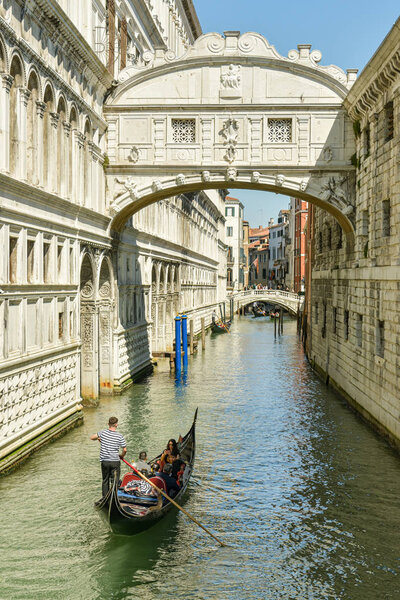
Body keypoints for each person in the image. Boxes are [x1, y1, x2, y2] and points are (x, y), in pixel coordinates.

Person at [90, 416, 127, 497]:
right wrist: (121, 456)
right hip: (115, 462)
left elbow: (92, 437)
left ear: (108, 424)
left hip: (105, 462)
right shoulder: (119, 436)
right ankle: (114, 497)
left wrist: (99, 439)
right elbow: (125, 449)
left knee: (105, 480)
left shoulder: (102, 433)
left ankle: (105, 497)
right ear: (116, 425)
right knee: (115, 481)